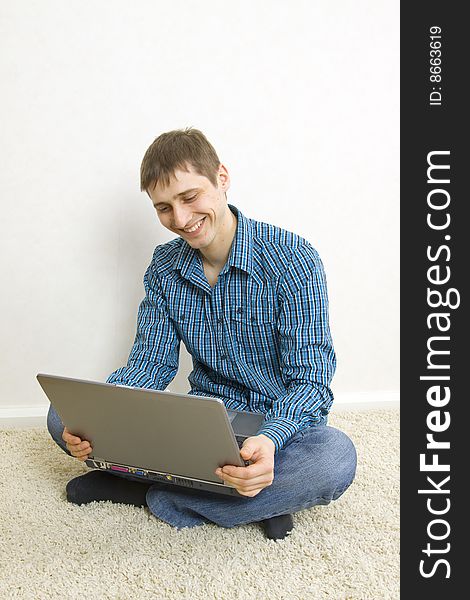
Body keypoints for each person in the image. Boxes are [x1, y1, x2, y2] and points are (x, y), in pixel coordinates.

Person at [47, 127, 357, 540]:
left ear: (221, 179)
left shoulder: (292, 257)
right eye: (163, 208)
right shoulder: (164, 267)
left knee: (334, 460)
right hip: (203, 422)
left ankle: (153, 495)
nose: (180, 219)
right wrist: (101, 414)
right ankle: (248, 502)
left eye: (189, 197)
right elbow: (150, 364)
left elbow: (312, 381)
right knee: (62, 417)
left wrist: (269, 439)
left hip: (276, 430)